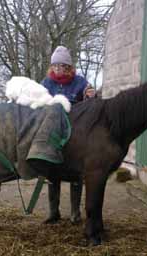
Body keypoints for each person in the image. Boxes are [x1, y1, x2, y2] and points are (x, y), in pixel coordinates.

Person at [41, 45, 95, 224]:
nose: (59, 69)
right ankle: (53, 213)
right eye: (56, 66)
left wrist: (90, 95)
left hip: (76, 132)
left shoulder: (80, 82)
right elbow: (39, 104)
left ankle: (75, 213)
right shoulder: (46, 83)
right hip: (54, 132)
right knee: (52, 171)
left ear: (69, 67)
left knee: (77, 173)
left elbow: (91, 105)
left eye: (63, 66)